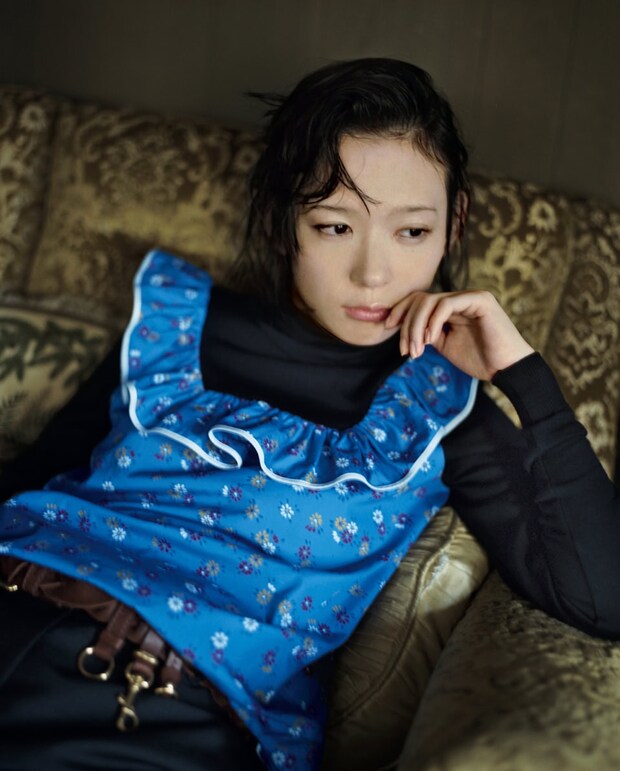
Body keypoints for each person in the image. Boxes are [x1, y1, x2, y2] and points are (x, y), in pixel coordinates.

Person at [0, 58, 618, 771]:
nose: (372, 275)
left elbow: (604, 600)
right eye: (334, 226)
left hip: (157, 709)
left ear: (455, 225)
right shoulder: (173, 325)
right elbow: (33, 481)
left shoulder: (444, 413)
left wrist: (522, 375)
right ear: (282, 218)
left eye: (411, 232)